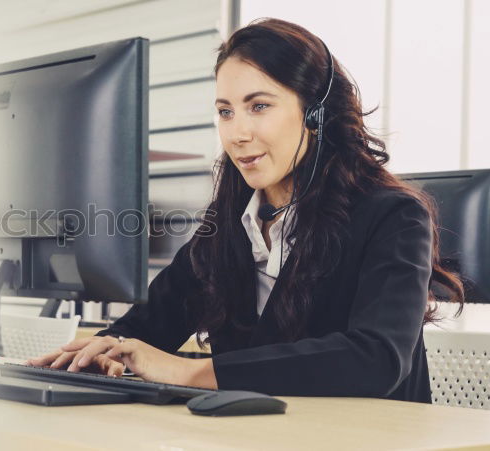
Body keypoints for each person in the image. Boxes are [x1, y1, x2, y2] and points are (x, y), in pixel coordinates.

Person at [28, 18, 464, 403]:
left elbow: (376, 358)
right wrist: (96, 351)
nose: (236, 133)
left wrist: (192, 372)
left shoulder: (393, 217)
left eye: (259, 106)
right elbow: (149, 324)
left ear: (314, 114)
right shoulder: (231, 225)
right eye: (225, 112)